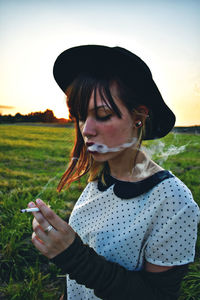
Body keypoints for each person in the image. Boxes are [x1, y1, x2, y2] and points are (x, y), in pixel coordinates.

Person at [28, 45, 200, 300]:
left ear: (139, 116)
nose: (86, 129)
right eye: (79, 116)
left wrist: (72, 255)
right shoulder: (100, 179)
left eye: (103, 115)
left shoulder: (174, 203)